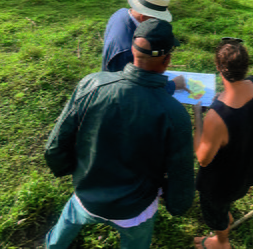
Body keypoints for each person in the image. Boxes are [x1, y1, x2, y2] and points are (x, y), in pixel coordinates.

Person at [44, 18, 195, 249]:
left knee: (68, 220)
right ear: (167, 60)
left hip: (86, 195)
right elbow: (181, 173)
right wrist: (177, 205)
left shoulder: (91, 84)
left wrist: (67, 169)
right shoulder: (175, 115)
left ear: (133, 51)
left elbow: (56, 144)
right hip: (134, 210)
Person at [193, 38, 253, 249]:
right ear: (247, 66)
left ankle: (221, 241)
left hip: (219, 183)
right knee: (224, 205)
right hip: (245, 171)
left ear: (219, 67)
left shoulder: (217, 115)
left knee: (216, 213)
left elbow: (203, 158)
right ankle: (224, 215)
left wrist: (197, 114)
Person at [102, 0, 187, 93]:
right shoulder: (127, 51)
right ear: (143, 17)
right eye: (157, 19)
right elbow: (133, 89)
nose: (159, 23)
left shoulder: (121, 13)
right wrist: (172, 85)